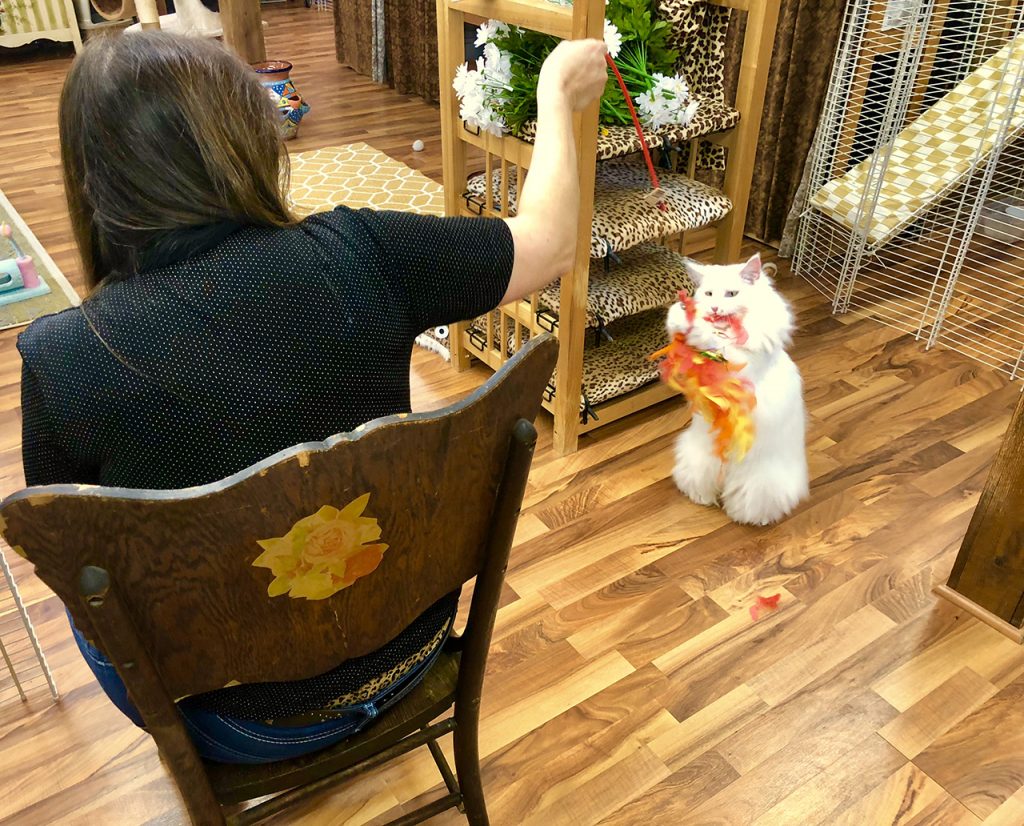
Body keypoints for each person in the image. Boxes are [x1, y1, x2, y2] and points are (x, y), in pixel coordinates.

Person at [18, 32, 607, 764]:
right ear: (244, 137)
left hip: (242, 730)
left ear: (91, 182)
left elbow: (74, 565)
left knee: (91, 596)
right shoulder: (364, 253)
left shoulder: (63, 358)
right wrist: (556, 92)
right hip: (414, 649)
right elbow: (549, 244)